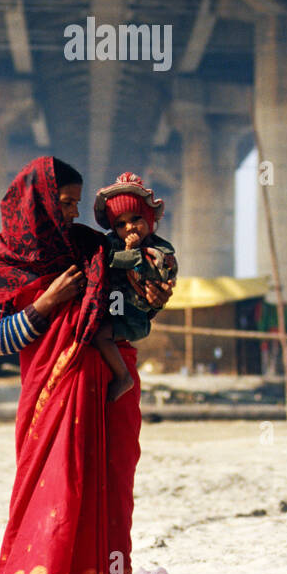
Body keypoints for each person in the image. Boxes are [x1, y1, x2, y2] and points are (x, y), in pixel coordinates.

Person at [0, 156, 173, 574]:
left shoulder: (89, 245)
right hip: (51, 392)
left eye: (76, 203)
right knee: (56, 488)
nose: (70, 212)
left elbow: (138, 296)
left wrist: (152, 268)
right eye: (63, 203)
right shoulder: (1, 262)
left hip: (109, 388)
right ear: (37, 202)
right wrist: (47, 304)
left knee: (108, 486)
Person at [91, 172, 178, 402]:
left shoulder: (161, 252)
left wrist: (132, 253)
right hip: (115, 306)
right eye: (120, 224)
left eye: (136, 219)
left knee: (101, 335)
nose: (129, 227)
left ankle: (123, 377)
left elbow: (159, 274)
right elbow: (104, 265)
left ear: (150, 220)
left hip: (132, 316)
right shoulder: (110, 245)